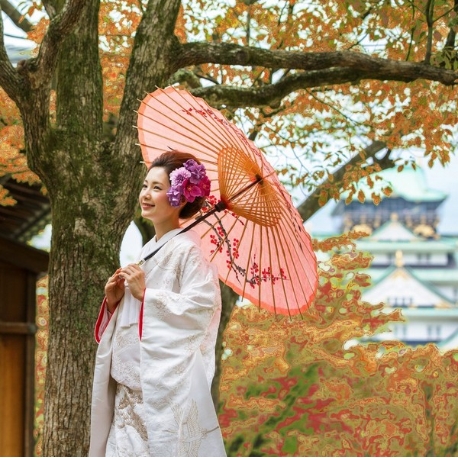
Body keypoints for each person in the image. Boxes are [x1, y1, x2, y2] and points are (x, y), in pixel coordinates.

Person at [89, 151, 226, 457]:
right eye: (144, 185)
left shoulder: (190, 252)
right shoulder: (149, 249)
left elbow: (199, 312)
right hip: (128, 400)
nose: (145, 195)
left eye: (157, 188)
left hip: (160, 399)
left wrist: (146, 295)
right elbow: (135, 316)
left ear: (178, 197)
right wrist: (116, 303)